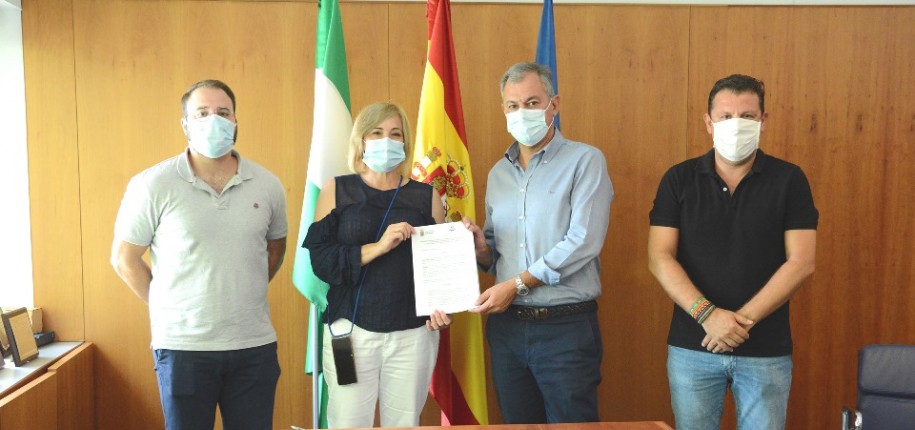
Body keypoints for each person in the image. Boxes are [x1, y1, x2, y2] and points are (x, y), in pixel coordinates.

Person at [110, 79, 288, 430]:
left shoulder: (268, 184)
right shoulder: (152, 184)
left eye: (223, 112)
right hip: (183, 349)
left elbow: (274, 249)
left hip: (253, 347)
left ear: (235, 121)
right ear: (185, 124)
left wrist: (238, 288)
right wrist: (171, 306)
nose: (214, 120)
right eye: (202, 113)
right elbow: (124, 260)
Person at [648, 74, 818, 430]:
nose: (736, 124)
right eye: (725, 116)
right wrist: (708, 315)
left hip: (765, 350)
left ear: (763, 120)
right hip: (693, 347)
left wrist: (739, 322)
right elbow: (659, 257)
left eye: (747, 116)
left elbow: (801, 262)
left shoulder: (790, 180)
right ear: (708, 122)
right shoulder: (678, 179)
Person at [462, 62, 614, 423]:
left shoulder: (585, 160)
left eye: (532, 103)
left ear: (553, 104)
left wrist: (517, 284)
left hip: (565, 329)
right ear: (503, 110)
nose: (522, 113)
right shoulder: (498, 174)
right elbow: (497, 253)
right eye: (513, 105)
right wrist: (481, 248)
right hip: (508, 329)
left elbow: (583, 241)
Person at [303, 102, 450, 428]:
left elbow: (439, 268)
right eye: (377, 133)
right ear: (361, 141)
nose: (387, 140)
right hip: (348, 332)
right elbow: (322, 262)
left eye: (395, 134)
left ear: (405, 142)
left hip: (413, 335)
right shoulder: (337, 190)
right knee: (348, 422)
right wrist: (379, 247)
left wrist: (445, 305)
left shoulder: (427, 197)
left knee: (404, 422)